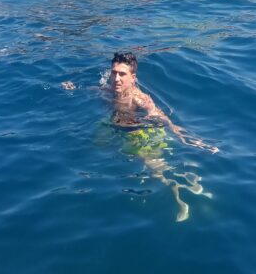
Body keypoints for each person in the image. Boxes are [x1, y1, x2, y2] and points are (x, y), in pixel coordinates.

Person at [62, 52, 218, 221]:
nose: (117, 79)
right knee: (104, 146)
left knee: (157, 169)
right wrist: (74, 88)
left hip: (141, 132)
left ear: (133, 77)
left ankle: (182, 199)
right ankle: (190, 182)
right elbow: (94, 90)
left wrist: (187, 139)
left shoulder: (139, 99)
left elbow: (163, 118)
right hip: (122, 128)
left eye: (122, 74)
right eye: (114, 73)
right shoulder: (108, 90)